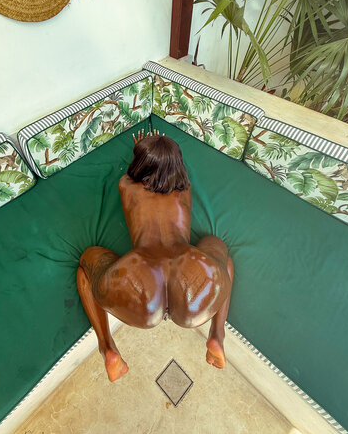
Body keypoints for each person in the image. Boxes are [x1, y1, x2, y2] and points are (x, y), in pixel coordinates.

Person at [76, 129, 234, 382]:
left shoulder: (126, 185)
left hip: (141, 282)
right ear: (178, 166)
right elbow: (172, 171)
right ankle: (217, 335)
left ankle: (107, 348)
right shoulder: (185, 188)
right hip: (192, 285)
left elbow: (134, 174)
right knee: (219, 254)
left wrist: (140, 149)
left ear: (139, 165)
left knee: (87, 263)